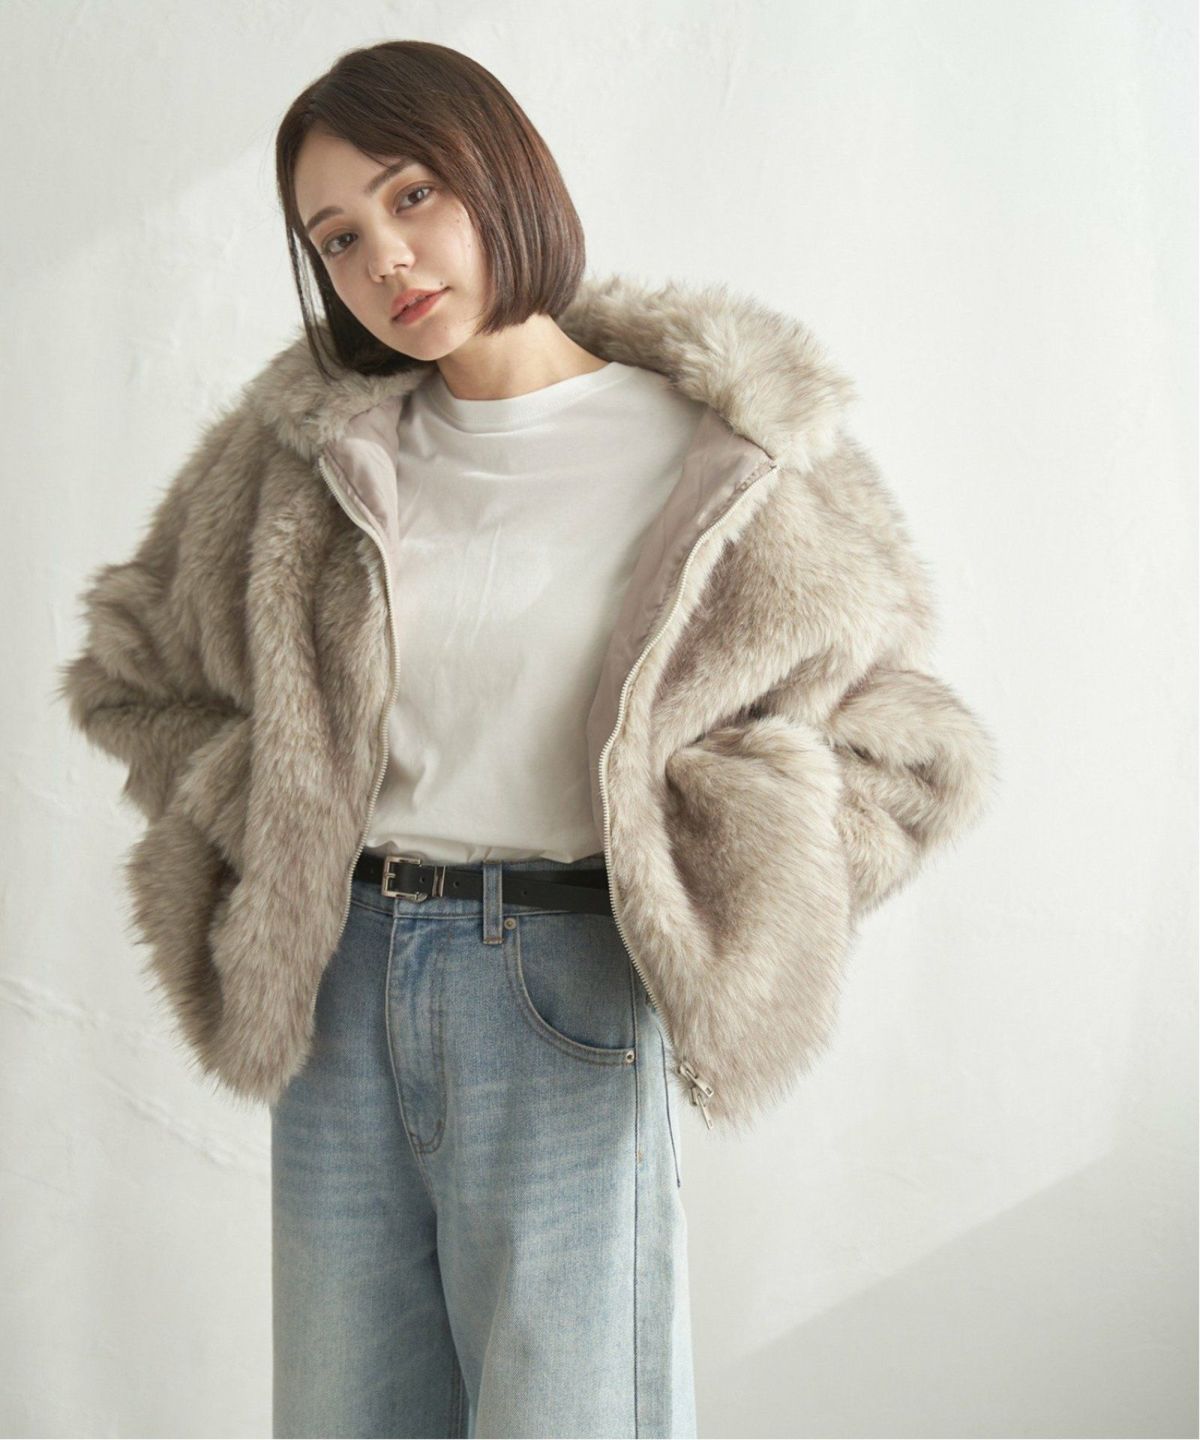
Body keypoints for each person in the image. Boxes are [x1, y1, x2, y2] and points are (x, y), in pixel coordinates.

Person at [54, 38, 999, 1440]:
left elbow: (911, 752)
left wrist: (738, 865)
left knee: (573, 1415)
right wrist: (268, 804)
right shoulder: (304, 455)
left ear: (503, 174)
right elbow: (130, 672)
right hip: (340, 978)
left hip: (567, 984)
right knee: (346, 1416)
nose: (386, 257)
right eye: (338, 237)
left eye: (413, 194)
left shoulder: (723, 449)